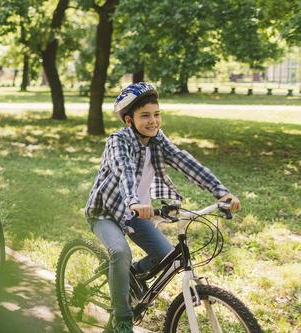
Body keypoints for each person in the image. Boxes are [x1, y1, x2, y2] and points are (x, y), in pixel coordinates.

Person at [84, 82, 241, 333]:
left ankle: (125, 277)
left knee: (166, 256)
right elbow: (123, 171)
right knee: (121, 252)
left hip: (136, 212)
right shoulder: (118, 142)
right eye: (144, 115)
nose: (153, 121)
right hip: (107, 212)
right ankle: (121, 319)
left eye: (157, 114)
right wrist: (134, 201)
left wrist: (220, 192)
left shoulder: (158, 140)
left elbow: (185, 162)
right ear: (128, 120)